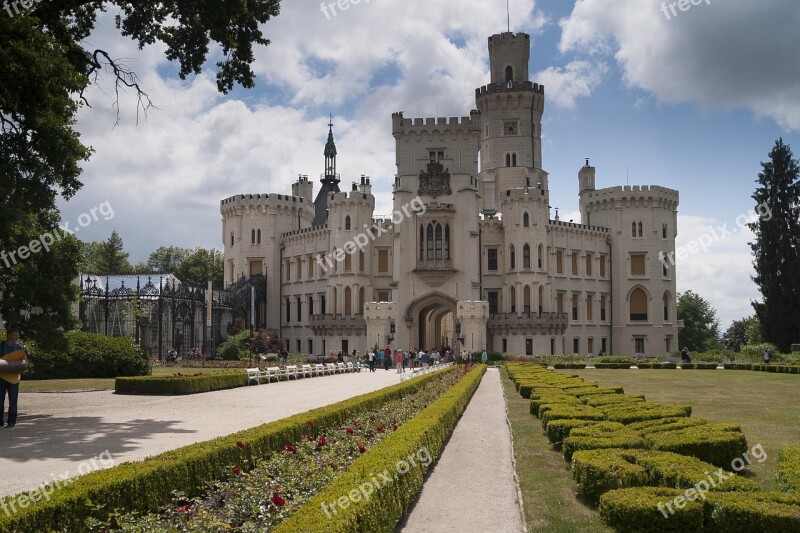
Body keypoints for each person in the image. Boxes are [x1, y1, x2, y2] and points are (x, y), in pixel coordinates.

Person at [1, 326, 26, 428]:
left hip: (14, 378)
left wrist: (23, 365)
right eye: (15, 335)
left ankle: (11, 422)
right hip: (1, 377)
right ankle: (0, 422)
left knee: (13, 401)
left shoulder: (19, 348)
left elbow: (25, 362)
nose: (17, 337)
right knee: (0, 400)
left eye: (17, 335)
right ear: (9, 335)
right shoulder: (1, 346)